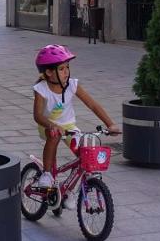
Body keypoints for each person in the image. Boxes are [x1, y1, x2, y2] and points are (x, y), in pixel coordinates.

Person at [30, 44, 120, 203]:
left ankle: (69, 190)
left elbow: (93, 105)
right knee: (54, 135)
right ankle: (47, 174)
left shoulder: (72, 85)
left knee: (85, 157)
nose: (66, 72)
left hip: (69, 127)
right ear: (49, 72)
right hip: (47, 125)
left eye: (67, 67)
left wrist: (110, 124)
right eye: (62, 69)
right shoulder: (41, 89)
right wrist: (52, 125)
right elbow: (37, 116)